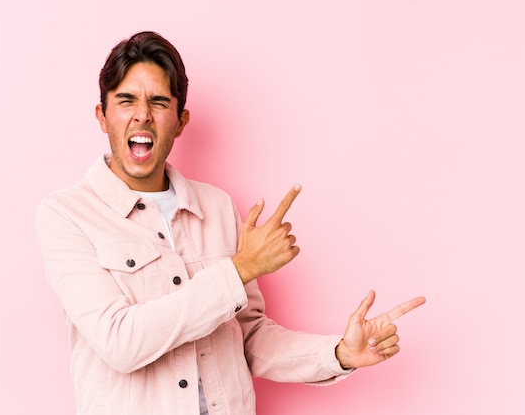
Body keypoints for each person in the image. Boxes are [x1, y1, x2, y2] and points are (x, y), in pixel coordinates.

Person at [35, 31, 426, 415]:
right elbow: (120, 341)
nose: (142, 114)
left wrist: (340, 353)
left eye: (158, 101)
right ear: (102, 116)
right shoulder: (67, 215)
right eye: (125, 100)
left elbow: (248, 337)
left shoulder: (218, 207)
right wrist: (239, 269)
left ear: (180, 120)